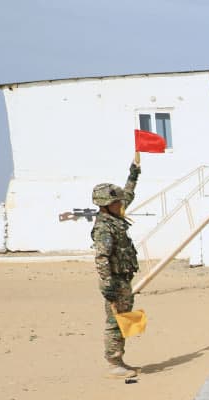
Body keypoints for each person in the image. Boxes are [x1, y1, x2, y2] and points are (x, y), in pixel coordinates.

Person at [91, 152, 143, 379]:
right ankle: (114, 362)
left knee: (124, 317)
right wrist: (107, 285)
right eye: (115, 202)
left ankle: (119, 358)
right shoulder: (104, 227)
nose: (120, 203)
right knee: (115, 320)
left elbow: (128, 195)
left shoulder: (115, 216)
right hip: (115, 280)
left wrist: (134, 174)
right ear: (106, 205)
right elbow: (101, 258)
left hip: (123, 278)